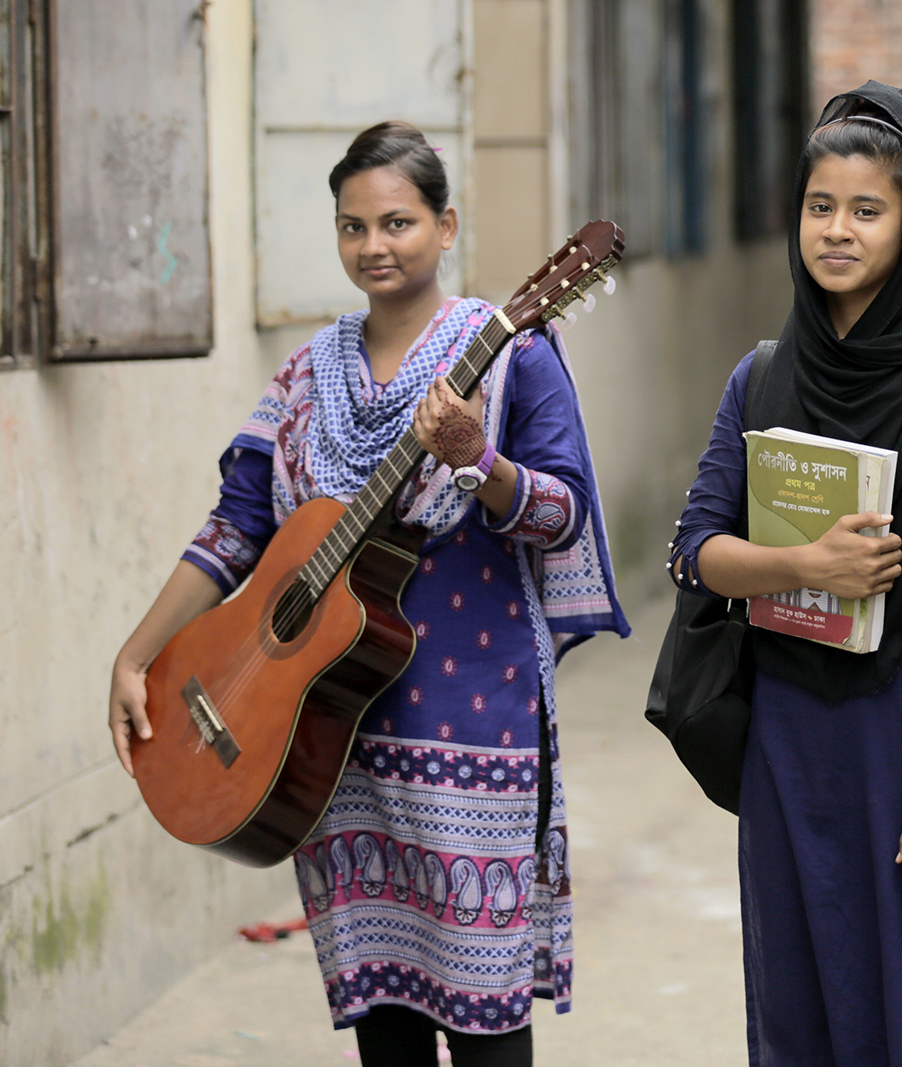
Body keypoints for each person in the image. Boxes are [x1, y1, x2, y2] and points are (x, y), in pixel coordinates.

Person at [107, 122, 628, 1067]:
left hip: (474, 731)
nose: (374, 245)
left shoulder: (513, 355)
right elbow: (235, 528)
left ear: (446, 225)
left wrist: (481, 462)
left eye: (398, 222)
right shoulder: (308, 372)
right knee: (384, 1022)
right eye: (353, 226)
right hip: (323, 732)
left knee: (484, 1022)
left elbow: (562, 515)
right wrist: (137, 655)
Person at [669, 82, 902, 1065]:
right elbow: (695, 550)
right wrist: (804, 562)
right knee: (801, 1009)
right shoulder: (760, 377)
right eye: (820, 205)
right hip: (788, 736)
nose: (837, 229)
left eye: (867, 209)